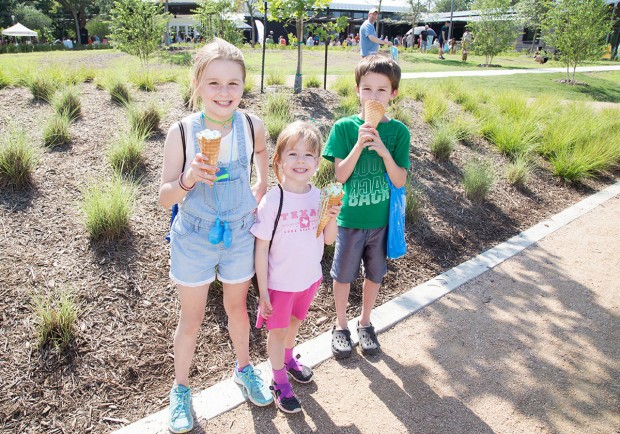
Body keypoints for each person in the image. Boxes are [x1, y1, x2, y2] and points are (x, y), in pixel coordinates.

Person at [159, 37, 271, 433]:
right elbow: (163, 195)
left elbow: (262, 156)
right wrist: (188, 179)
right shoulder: (183, 132)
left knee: (237, 307)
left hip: (240, 232)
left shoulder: (250, 124)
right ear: (197, 85)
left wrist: (261, 186)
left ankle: (244, 368)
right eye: (213, 83)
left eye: (233, 84)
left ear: (244, 86)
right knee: (190, 320)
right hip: (194, 234)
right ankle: (181, 389)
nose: (224, 92)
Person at [322, 55, 411, 358]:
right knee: (343, 275)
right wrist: (359, 146)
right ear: (357, 90)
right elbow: (340, 175)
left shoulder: (398, 132)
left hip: (380, 221)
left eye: (382, 90)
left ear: (393, 94)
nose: (374, 96)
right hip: (349, 220)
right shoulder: (344, 129)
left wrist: (385, 152)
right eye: (367, 89)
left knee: (375, 274)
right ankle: (341, 325)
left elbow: (399, 180)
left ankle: (365, 322)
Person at [253, 121, 340, 414]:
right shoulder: (273, 201)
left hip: (308, 279)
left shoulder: (320, 197)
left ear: (317, 163)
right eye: (292, 154)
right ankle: (278, 381)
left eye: (308, 155)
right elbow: (261, 248)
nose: (300, 161)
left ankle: (288, 360)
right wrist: (263, 290)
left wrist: (333, 215)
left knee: (294, 324)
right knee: (276, 333)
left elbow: (327, 241)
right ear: (279, 160)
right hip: (279, 284)